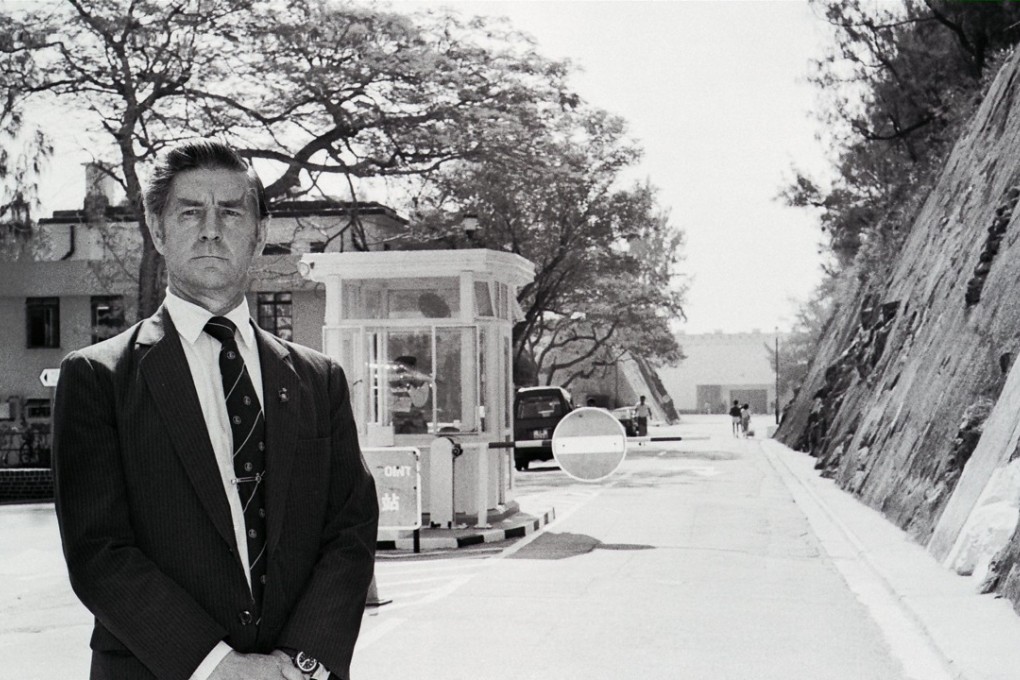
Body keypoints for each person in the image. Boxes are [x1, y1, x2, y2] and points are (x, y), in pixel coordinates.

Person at [53, 140, 379, 680]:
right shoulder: (98, 378)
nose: (211, 228)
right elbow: (99, 552)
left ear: (259, 234)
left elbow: (350, 529)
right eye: (190, 212)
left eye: (231, 211)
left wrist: (303, 662)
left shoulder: (319, 381)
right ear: (158, 231)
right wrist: (217, 666)